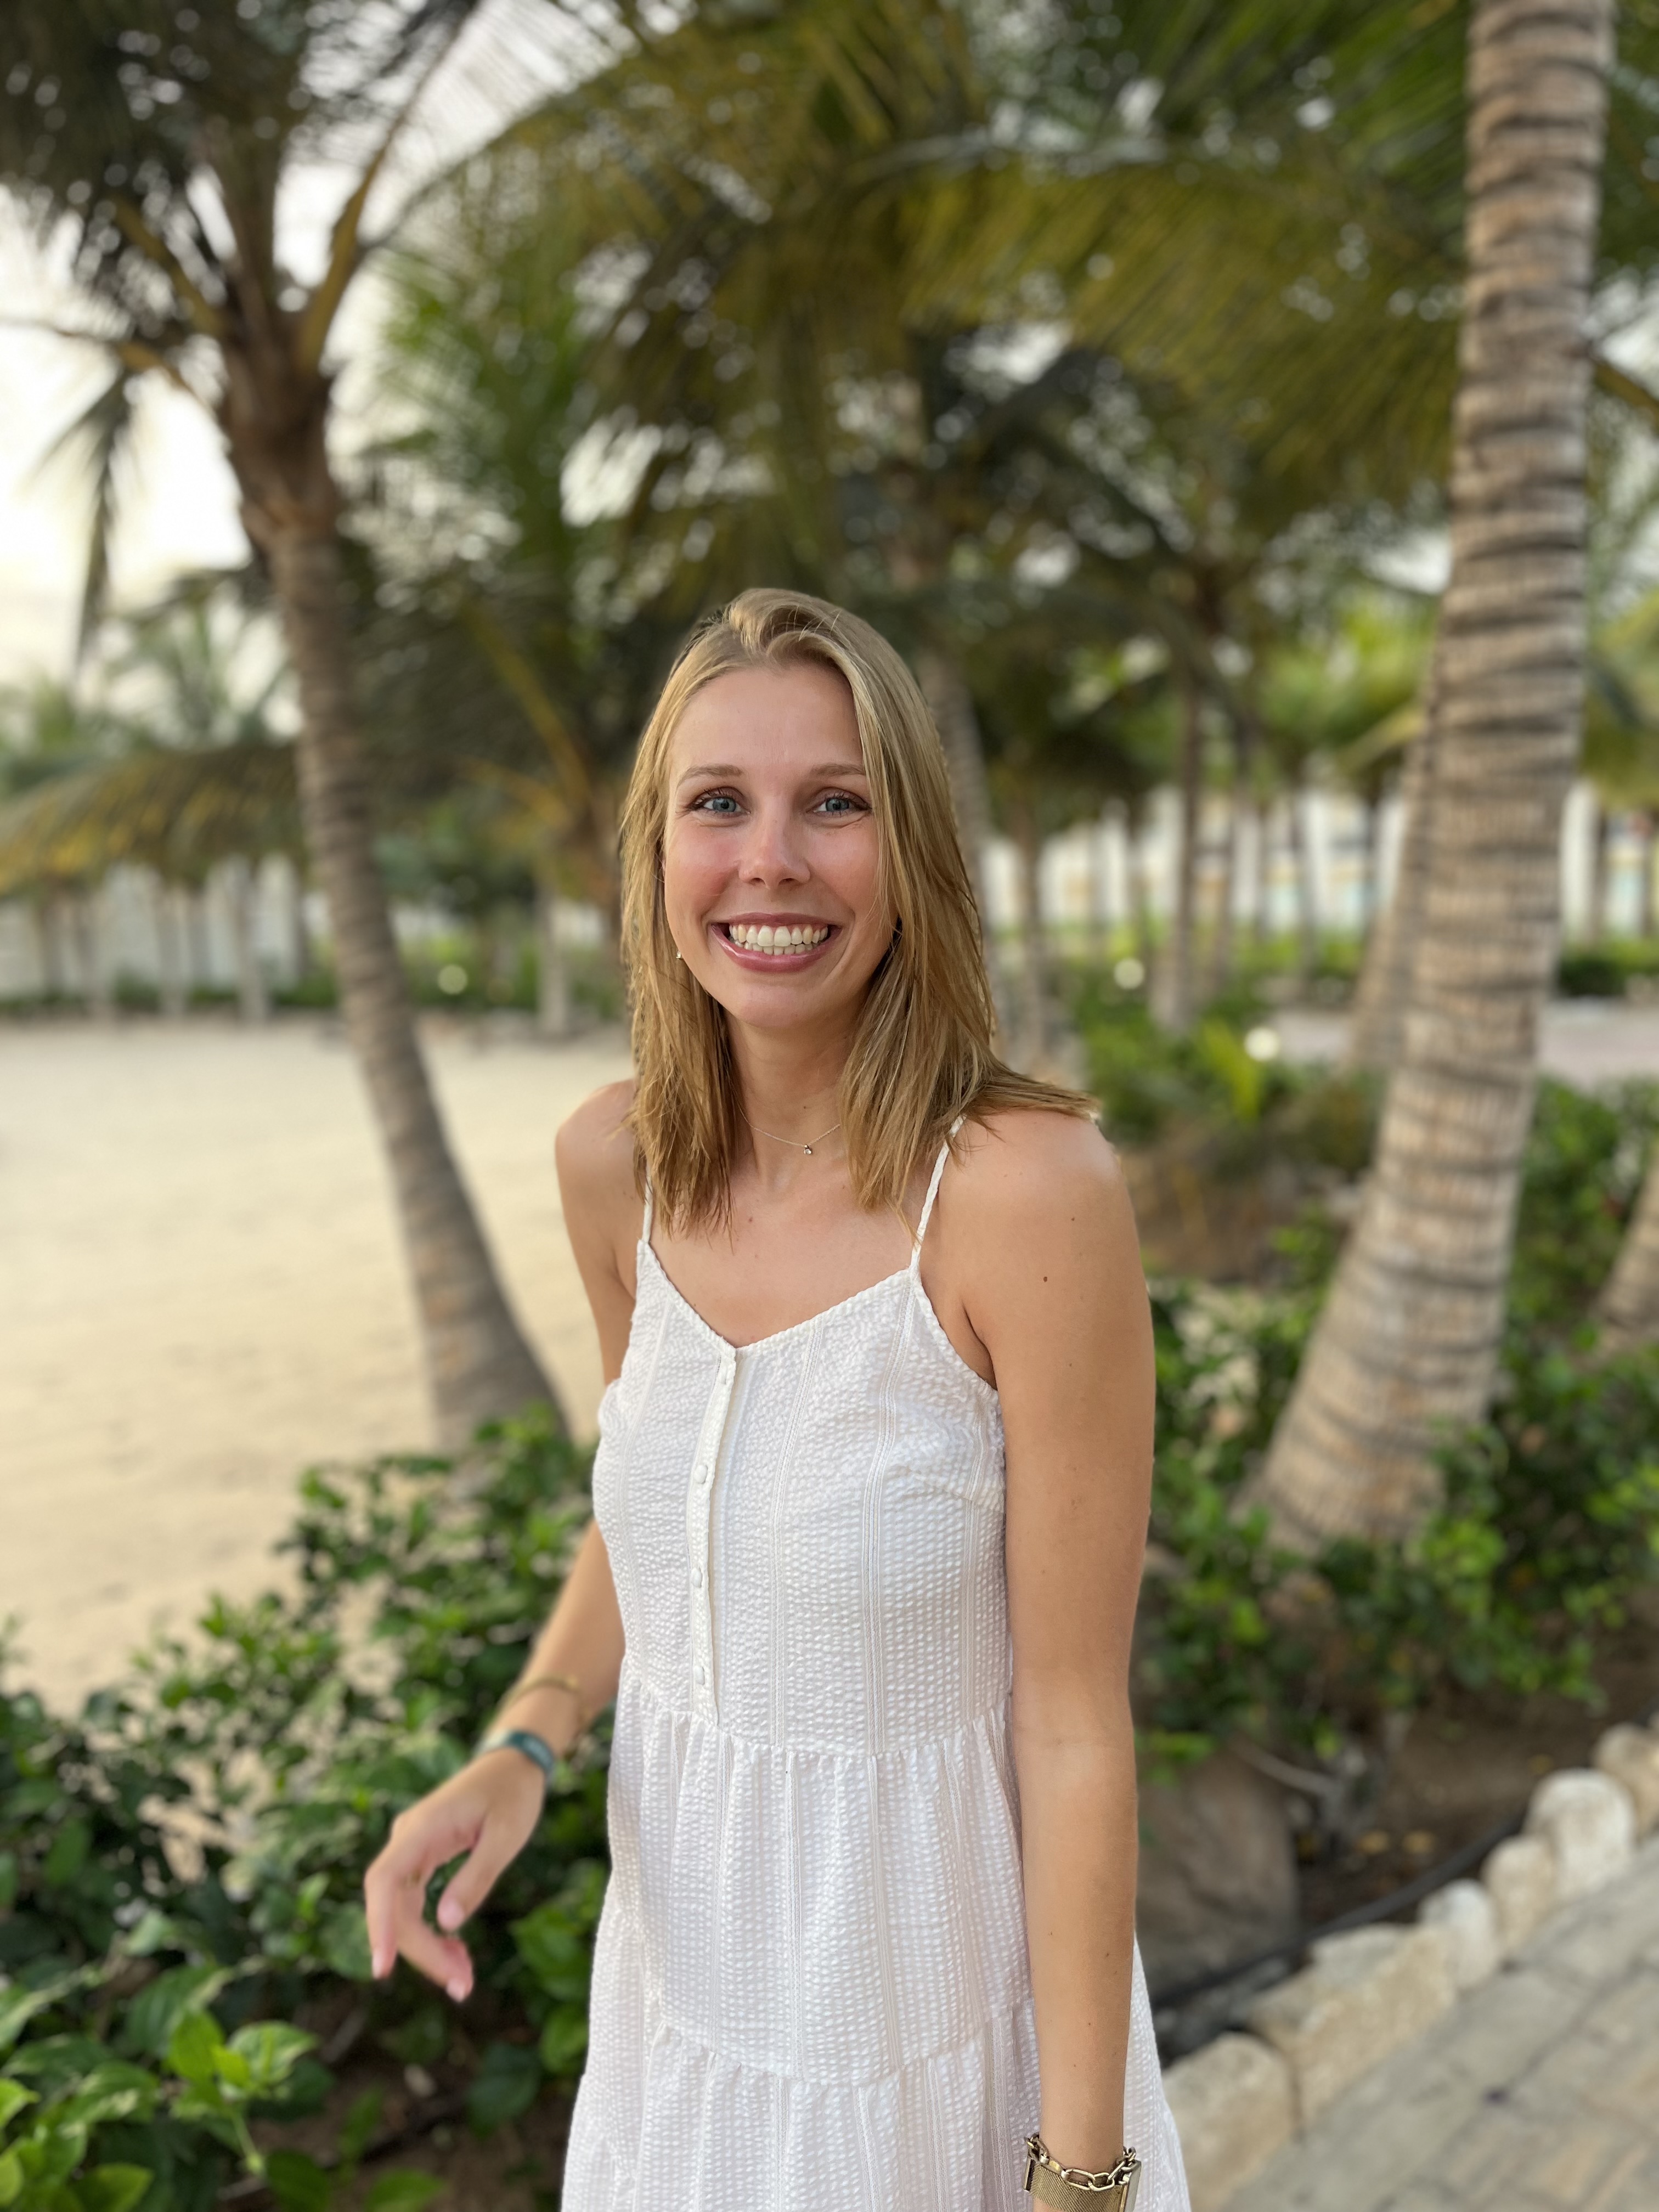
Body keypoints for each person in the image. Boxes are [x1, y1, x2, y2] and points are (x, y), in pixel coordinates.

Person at [364, 589, 1190, 2211]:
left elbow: (1075, 1724)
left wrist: (1081, 2174)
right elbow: (667, 1507)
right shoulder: (614, 1166)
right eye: (718, 804)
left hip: (929, 2047)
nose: (770, 861)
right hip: (679, 2032)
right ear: (655, 854)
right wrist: (525, 1737)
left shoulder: (1025, 1194)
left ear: (913, 850)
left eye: (836, 804)